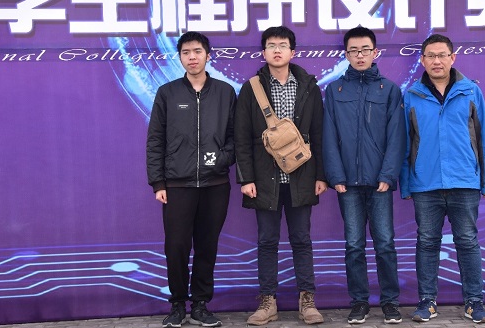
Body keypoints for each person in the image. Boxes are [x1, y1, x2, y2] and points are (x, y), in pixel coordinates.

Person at [400, 34, 485, 324]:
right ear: (422, 60)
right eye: (430, 55)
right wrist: (406, 183)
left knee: (467, 241)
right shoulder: (412, 95)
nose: (436, 61)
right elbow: (405, 142)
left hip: (464, 181)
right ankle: (427, 302)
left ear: (452, 58)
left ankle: (474, 302)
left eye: (442, 55)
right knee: (427, 242)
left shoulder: (471, 92)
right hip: (425, 183)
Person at [235, 26, 327, 326]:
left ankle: (307, 300)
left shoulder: (309, 86)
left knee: (302, 240)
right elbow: (242, 137)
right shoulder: (251, 88)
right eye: (271, 45)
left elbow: (318, 134)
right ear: (263, 52)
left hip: (302, 176)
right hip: (264, 179)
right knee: (267, 241)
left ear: (292, 52)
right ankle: (267, 302)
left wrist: (321, 175)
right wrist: (246, 178)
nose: (277, 50)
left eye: (283, 45)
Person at [146, 32, 236, 328]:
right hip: (177, 185)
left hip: (215, 185)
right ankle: (177, 304)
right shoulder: (167, 93)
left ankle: (200, 304)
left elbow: (235, 137)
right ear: (180, 57)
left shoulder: (225, 92)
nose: (192, 57)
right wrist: (158, 183)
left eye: (197, 51)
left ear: (208, 55)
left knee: (207, 246)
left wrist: (219, 160)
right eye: (186, 52)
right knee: (176, 246)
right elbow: (155, 140)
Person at [322, 26, 406, 324]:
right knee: (354, 245)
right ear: (346, 55)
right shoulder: (335, 90)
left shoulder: (389, 90)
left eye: (365, 50)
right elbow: (328, 136)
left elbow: (397, 137)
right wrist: (335, 176)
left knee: (385, 244)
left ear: (375, 52)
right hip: (347, 184)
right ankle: (359, 302)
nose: (360, 55)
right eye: (354, 51)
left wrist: (388, 175)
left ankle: (390, 302)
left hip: (379, 182)